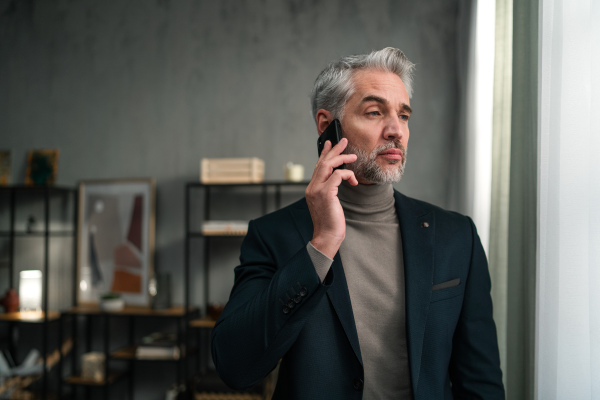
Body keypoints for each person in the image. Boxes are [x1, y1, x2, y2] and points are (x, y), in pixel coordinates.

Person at [211, 47, 505, 399]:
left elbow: (481, 382)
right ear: (327, 125)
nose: (396, 129)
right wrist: (322, 244)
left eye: (404, 115)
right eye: (375, 112)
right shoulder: (272, 235)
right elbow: (235, 366)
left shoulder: (457, 237)